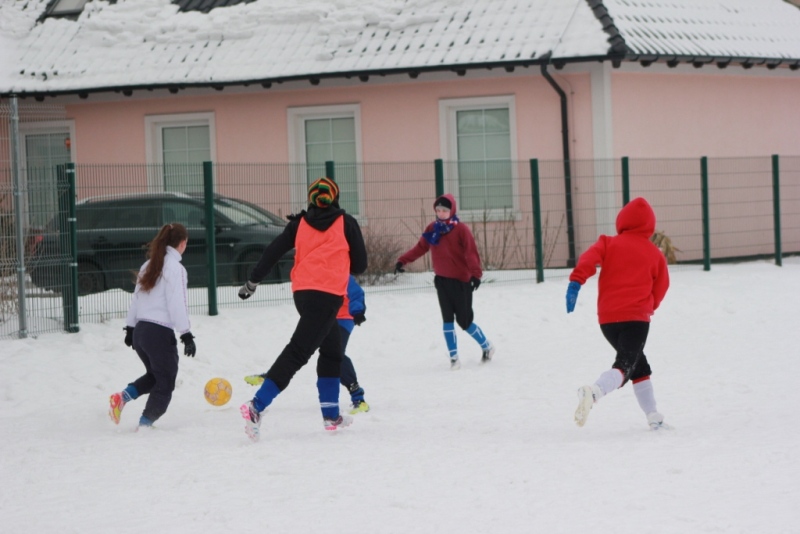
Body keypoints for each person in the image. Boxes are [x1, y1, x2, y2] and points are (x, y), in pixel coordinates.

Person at [238, 177, 367, 441]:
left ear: (311, 199)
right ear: (335, 198)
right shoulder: (346, 223)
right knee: (298, 352)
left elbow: (273, 251)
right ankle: (256, 407)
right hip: (327, 295)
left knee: (332, 352)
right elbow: (361, 265)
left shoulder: (300, 223)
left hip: (303, 294)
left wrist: (253, 281)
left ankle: (331, 415)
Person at [566, 197, 670, 429]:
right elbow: (662, 286)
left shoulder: (608, 243)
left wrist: (576, 282)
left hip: (608, 320)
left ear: (622, 220)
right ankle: (594, 392)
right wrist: (650, 306)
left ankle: (653, 415)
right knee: (625, 365)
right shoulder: (654, 254)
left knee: (639, 365)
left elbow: (588, 259)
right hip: (636, 320)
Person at [109, 223, 197, 428]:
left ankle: (121, 398)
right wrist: (186, 334)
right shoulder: (176, 269)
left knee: (156, 376)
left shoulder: (148, 265)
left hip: (141, 332)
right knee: (165, 382)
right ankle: (145, 424)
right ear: (182, 244)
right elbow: (177, 303)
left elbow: (137, 299)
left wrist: (130, 328)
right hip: (158, 333)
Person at [244, 274, 371, 414]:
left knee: (337, 354)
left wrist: (357, 311)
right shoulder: (317, 270)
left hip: (343, 319)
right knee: (300, 346)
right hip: (325, 316)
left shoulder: (340, 272)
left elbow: (357, 293)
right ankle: (272, 376)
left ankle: (358, 397)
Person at [395, 193, 494, 370]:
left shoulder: (461, 230)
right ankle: (454, 358)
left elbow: (471, 253)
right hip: (442, 281)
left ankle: (487, 346)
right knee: (447, 320)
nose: (441, 213)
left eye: (444, 210)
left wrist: (475, 275)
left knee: (465, 322)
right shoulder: (433, 228)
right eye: (438, 210)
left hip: (461, 282)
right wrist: (403, 260)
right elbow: (421, 247)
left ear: (452, 210)